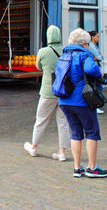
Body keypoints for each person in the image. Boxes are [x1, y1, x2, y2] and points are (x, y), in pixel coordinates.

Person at [57, 28, 107, 178]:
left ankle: (77, 167)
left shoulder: (64, 55)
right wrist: (99, 73)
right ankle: (92, 167)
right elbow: (92, 70)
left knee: (75, 133)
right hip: (82, 100)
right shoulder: (84, 55)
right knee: (92, 132)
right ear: (84, 44)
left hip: (64, 100)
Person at [23, 25, 71, 161]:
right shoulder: (66, 51)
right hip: (63, 91)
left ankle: (34, 147)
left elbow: (38, 66)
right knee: (63, 122)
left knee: (41, 119)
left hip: (48, 91)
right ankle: (62, 152)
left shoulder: (43, 51)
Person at [88, 30, 105, 114]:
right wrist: (99, 57)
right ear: (92, 37)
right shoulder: (91, 46)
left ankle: (96, 104)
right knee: (97, 87)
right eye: (97, 36)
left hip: (96, 67)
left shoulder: (94, 46)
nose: (98, 38)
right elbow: (100, 57)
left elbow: (100, 56)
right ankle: (96, 104)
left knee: (97, 86)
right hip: (94, 68)